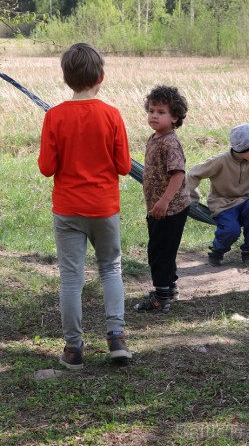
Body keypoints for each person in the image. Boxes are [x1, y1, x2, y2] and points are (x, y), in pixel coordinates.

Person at [38, 43, 132, 369]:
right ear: (101, 77)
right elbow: (123, 166)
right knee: (110, 269)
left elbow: (47, 168)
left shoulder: (54, 116)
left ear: (66, 79)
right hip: (104, 207)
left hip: (67, 209)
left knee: (71, 279)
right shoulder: (112, 115)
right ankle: (117, 337)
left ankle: (73, 349)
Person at [187, 123, 249, 267]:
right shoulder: (220, 161)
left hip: (247, 201)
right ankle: (218, 249)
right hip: (223, 204)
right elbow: (194, 174)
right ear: (243, 148)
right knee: (231, 230)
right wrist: (192, 199)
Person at [134, 85, 190, 313]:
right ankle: (170, 287)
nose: (154, 115)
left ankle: (160, 297)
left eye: (161, 112)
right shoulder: (155, 138)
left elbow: (178, 174)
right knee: (165, 249)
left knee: (159, 251)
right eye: (151, 110)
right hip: (159, 207)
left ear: (174, 116)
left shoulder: (169, 142)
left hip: (170, 208)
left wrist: (165, 201)